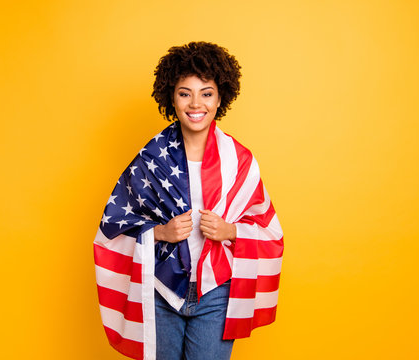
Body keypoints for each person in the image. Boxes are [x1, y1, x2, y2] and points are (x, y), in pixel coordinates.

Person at [93, 41, 284, 360]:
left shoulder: (239, 161)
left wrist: (230, 231)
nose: (196, 103)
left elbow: (270, 232)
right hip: (160, 290)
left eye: (206, 93)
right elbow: (113, 229)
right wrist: (160, 233)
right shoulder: (150, 158)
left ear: (221, 97)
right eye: (185, 93)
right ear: (172, 96)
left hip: (216, 292)